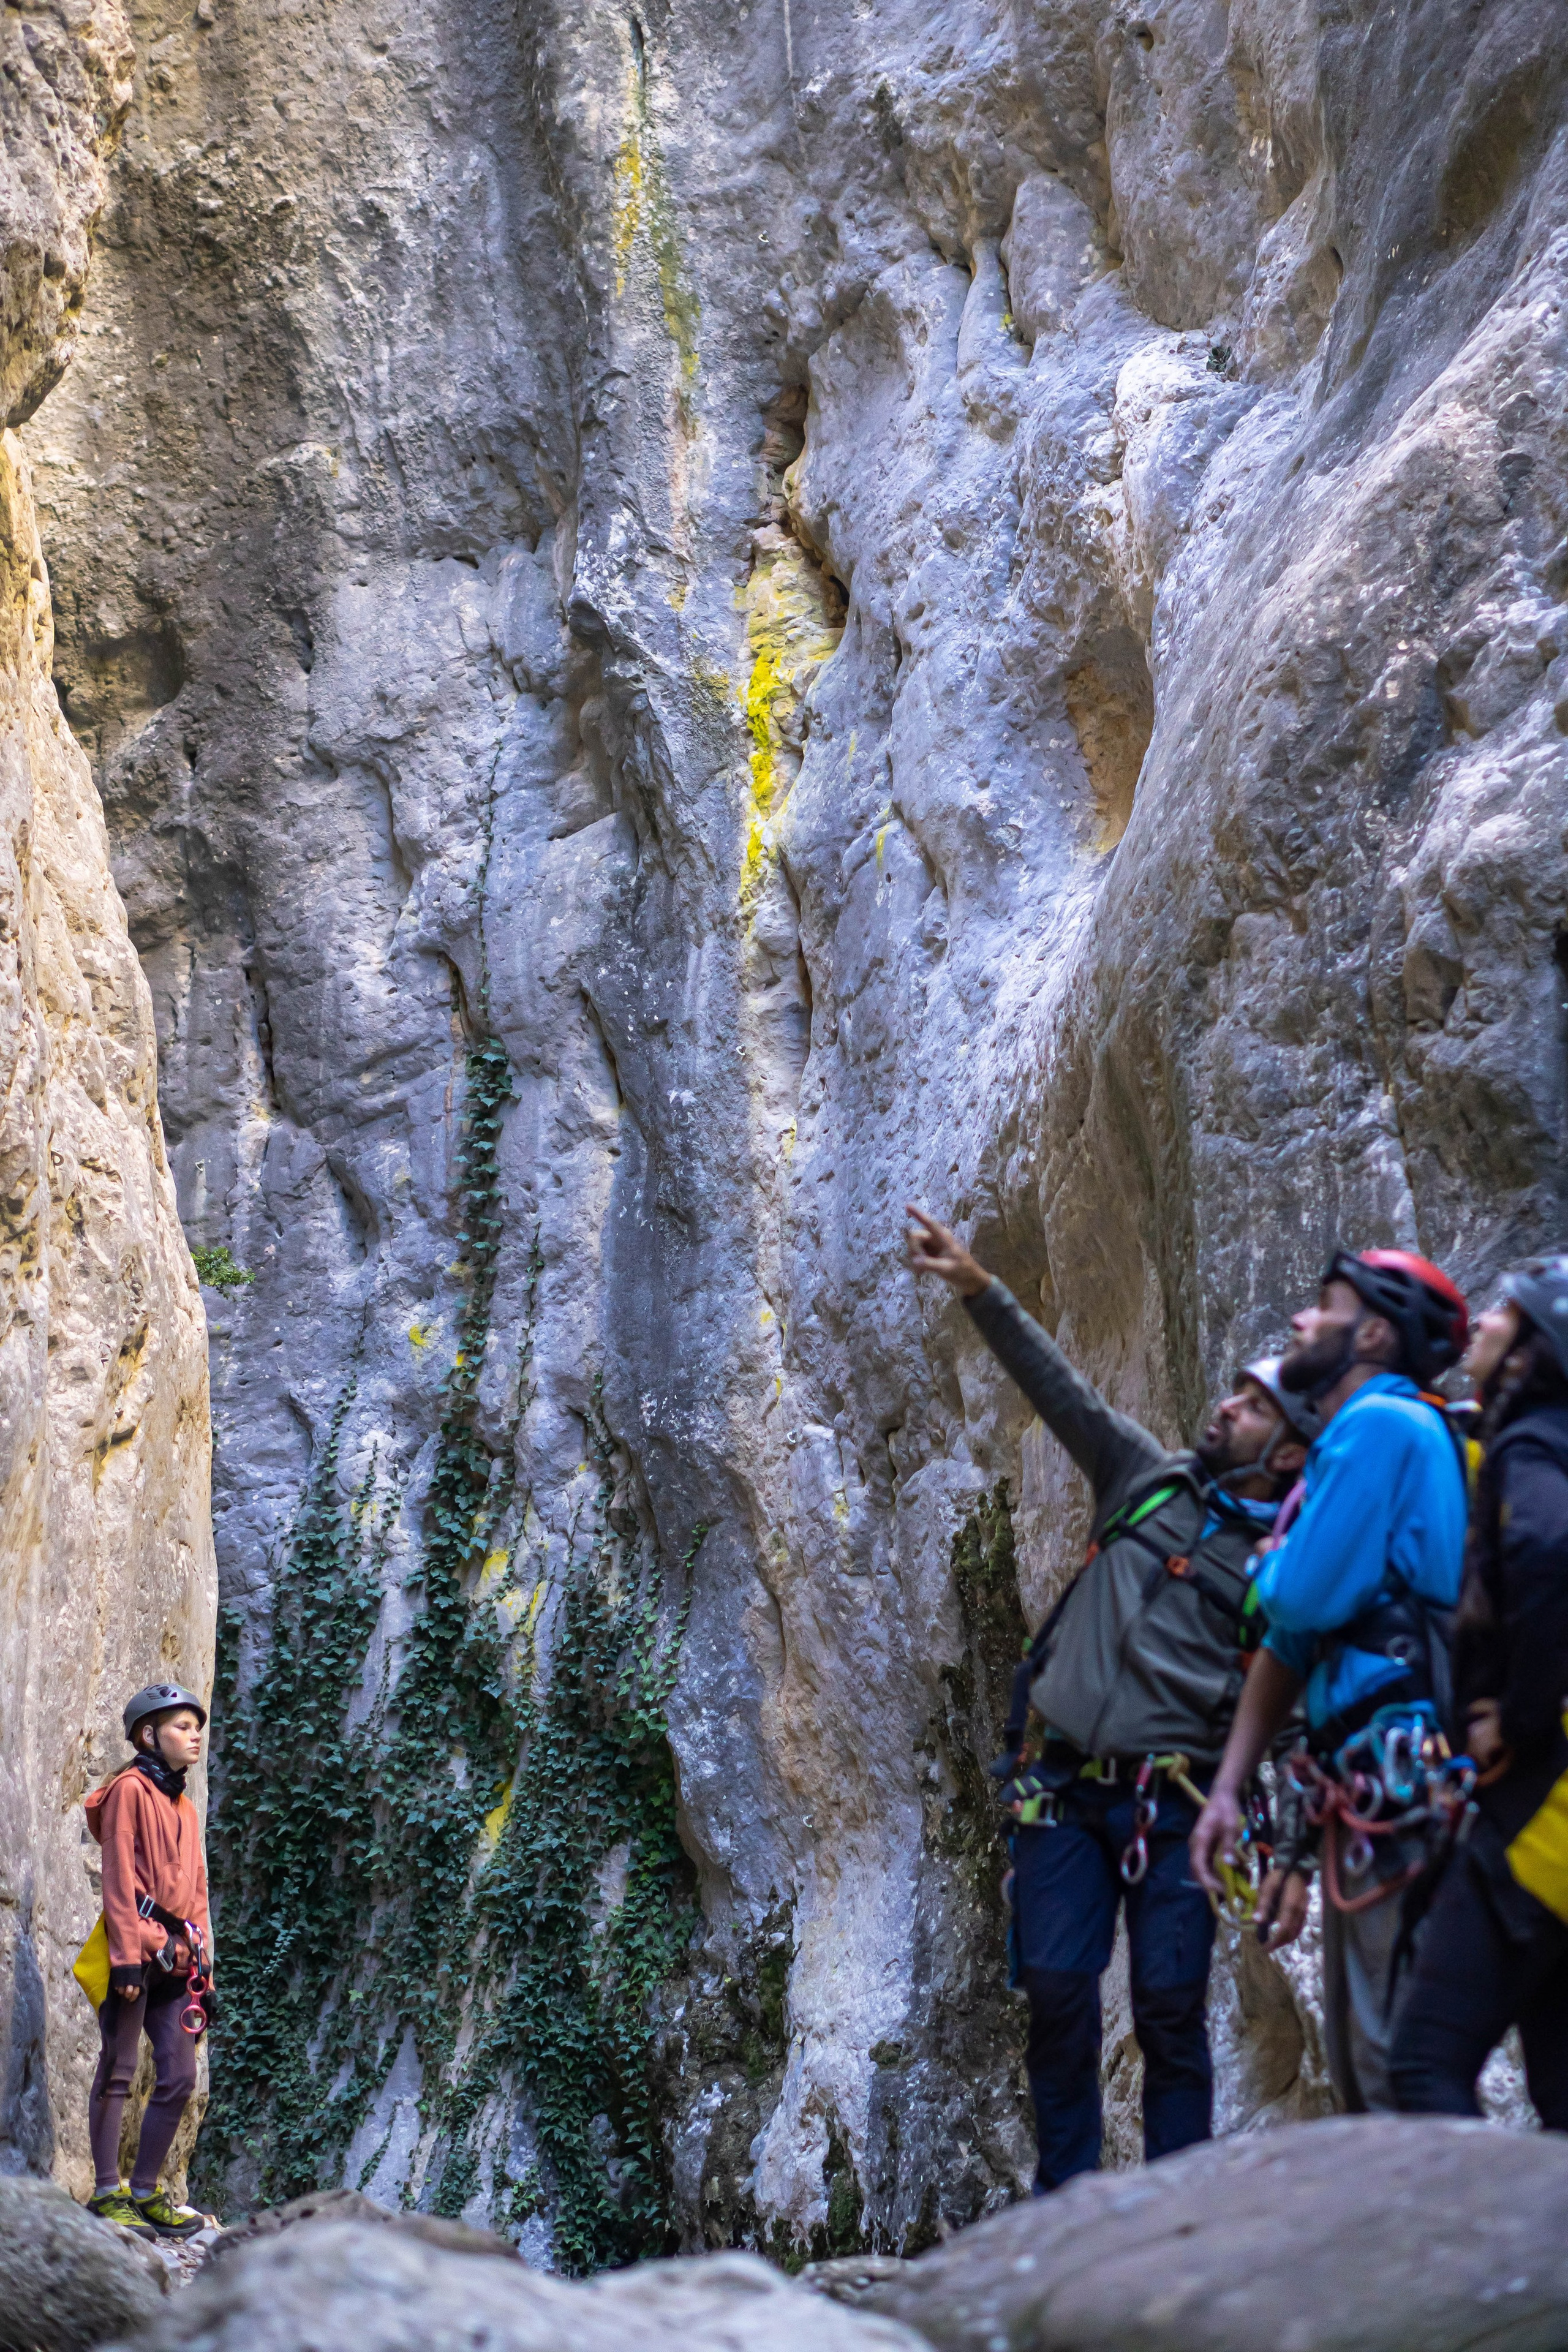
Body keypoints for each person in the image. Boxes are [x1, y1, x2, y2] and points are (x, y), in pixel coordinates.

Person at [905, 1206, 1315, 2190]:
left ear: (1292, 1456)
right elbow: (1063, 1393)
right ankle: (1069, 2201)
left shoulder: (1288, 1571)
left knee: (1171, 2011)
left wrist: (1297, 1853)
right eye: (1235, 1395)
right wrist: (977, 1285)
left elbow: (1299, 1726)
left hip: (1175, 1811)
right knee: (1055, 1992)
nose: (1227, 1410)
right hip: (1058, 1790)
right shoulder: (1144, 1477)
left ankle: (1176, 2214)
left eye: (1254, 1408)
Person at [1191, 1248, 1469, 2113]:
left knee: (1395, 2058)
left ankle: (1447, 2244)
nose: (1303, 1321)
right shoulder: (1362, 1442)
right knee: (1367, 2061)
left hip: (1399, 1773)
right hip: (1370, 1777)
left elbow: (1302, 1596)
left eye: (1325, 1306)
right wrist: (1239, 1795)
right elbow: (1295, 1639)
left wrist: (1275, 1566)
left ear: (1375, 1332)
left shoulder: (1381, 1428)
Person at [1390, 1258, 1568, 2124]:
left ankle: (1466, 2263)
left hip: (1543, 1812)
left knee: (1424, 2061)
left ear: (1535, 1354)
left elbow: (1543, 1548)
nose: (1486, 1323)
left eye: (1508, 1314)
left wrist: (1518, 1720)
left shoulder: (1532, 1440)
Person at [84, 1683, 214, 2240]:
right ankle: (107, 2193)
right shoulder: (129, 1791)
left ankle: (146, 2191)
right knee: (118, 2071)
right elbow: (117, 1882)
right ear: (147, 1735)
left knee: (180, 2075)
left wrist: (205, 1968)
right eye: (182, 1727)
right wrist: (127, 1960)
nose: (195, 1735)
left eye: (197, 1727)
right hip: (135, 1950)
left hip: (179, 1958)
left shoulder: (183, 1804)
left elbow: (199, 1892)